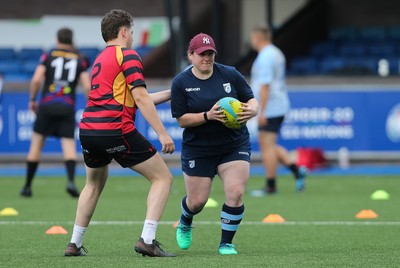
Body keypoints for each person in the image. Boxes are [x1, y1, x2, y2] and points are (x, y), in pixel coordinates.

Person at [64, 9, 176, 258]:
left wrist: (170, 93)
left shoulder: (100, 59)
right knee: (163, 179)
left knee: (92, 185)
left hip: (89, 130)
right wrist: (163, 133)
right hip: (115, 129)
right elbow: (140, 97)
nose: (133, 37)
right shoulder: (128, 55)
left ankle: (74, 243)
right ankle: (148, 240)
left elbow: (134, 98)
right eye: (132, 32)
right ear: (124, 32)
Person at [171, 33, 259, 255]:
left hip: (233, 143)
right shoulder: (181, 83)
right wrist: (208, 116)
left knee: (236, 192)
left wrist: (254, 108)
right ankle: (185, 218)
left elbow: (250, 98)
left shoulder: (230, 74)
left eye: (210, 54)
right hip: (199, 149)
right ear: (191, 55)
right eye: (201, 54)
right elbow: (182, 119)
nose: (207, 58)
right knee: (197, 202)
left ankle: (226, 243)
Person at [20, 28, 91, 198]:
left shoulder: (48, 55)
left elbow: (37, 79)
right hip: (67, 107)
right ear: (71, 39)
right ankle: (71, 182)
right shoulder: (79, 60)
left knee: (36, 145)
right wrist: (90, 104)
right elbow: (87, 86)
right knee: (68, 146)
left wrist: (32, 99)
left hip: (46, 105)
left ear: (57, 39)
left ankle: (27, 186)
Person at [250, 26, 306, 195]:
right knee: (270, 145)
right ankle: (296, 169)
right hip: (278, 104)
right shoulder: (276, 52)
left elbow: (265, 86)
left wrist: (263, 111)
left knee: (266, 146)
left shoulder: (265, 56)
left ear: (257, 37)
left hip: (271, 107)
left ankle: (271, 185)